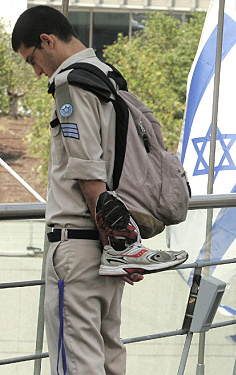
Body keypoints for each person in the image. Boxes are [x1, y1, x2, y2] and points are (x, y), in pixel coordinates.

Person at [12, 6, 188, 374]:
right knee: (109, 356)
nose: (38, 71)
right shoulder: (110, 77)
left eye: (33, 60)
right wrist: (122, 246)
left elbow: (87, 169)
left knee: (77, 363)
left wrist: (117, 243)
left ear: (47, 40)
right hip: (109, 248)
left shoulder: (69, 83)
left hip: (78, 246)